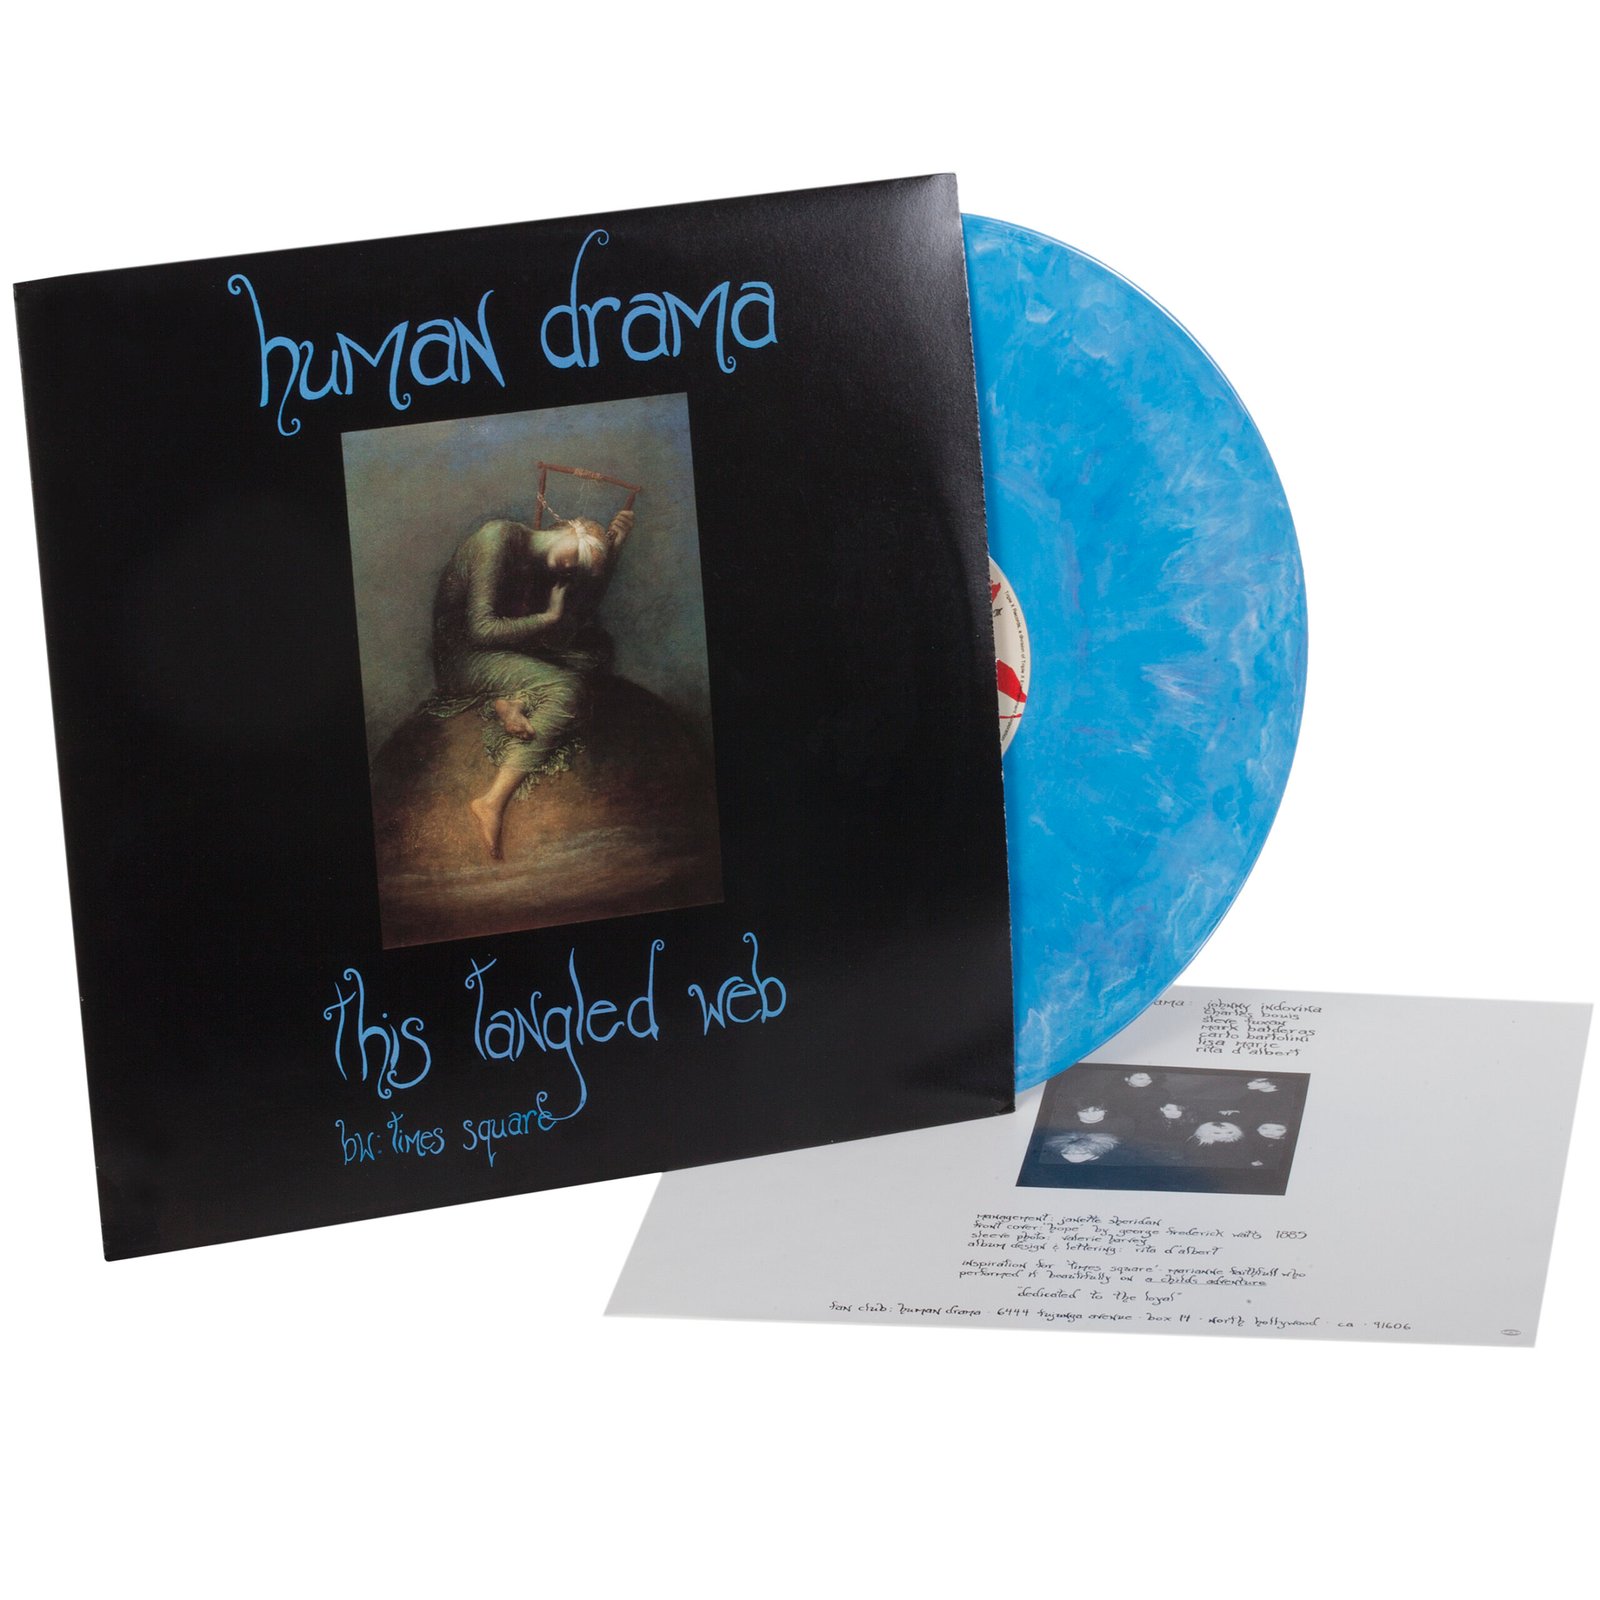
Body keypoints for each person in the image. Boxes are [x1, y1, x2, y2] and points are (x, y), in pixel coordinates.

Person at [427, 506, 635, 859]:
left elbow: (576, 616)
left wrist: (613, 549)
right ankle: (491, 802)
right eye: (578, 555)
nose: (571, 566)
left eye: (580, 565)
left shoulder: (544, 562)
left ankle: (513, 701)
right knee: (566, 689)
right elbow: (481, 630)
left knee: (594, 653)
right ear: (569, 528)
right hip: (462, 657)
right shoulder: (496, 540)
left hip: (503, 652)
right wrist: (548, 617)